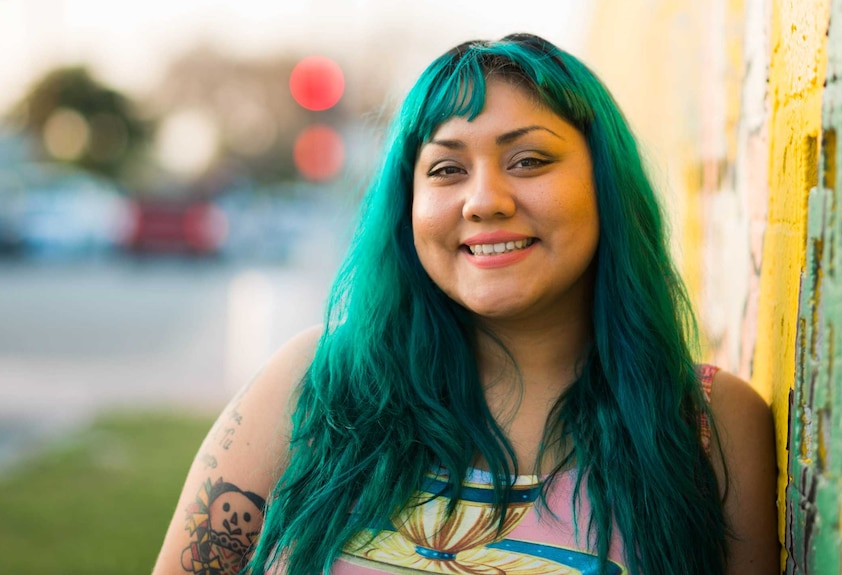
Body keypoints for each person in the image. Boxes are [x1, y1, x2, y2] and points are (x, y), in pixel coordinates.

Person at [152, 33, 779, 575]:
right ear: (409, 208)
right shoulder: (313, 388)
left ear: (605, 185)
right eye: (447, 170)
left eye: (529, 160)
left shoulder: (709, 427)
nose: (484, 200)